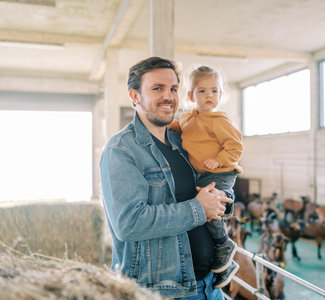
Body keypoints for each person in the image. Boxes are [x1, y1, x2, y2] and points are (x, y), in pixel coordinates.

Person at [99, 57, 233, 300]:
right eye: (157, 88)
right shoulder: (121, 150)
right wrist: (198, 209)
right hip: (164, 292)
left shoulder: (182, 141)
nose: (169, 96)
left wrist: (224, 196)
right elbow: (128, 223)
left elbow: (217, 177)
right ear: (135, 96)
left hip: (210, 286)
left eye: (173, 89)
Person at [169, 66, 243, 289]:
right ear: (191, 96)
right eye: (202, 91)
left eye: (214, 91)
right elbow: (179, 128)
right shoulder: (189, 117)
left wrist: (219, 159)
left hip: (221, 172)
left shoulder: (219, 120)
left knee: (210, 208)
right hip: (202, 173)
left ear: (221, 95)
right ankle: (223, 264)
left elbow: (236, 147)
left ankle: (223, 245)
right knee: (201, 210)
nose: (209, 96)